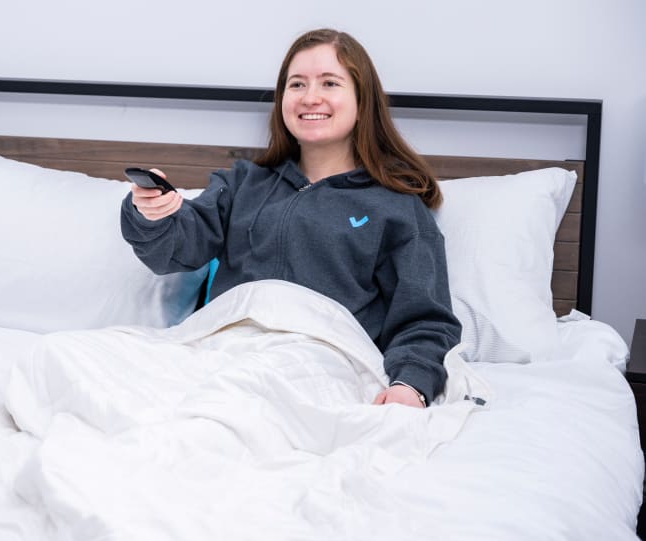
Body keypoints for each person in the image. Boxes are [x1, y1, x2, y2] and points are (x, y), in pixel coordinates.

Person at [120, 28, 461, 409]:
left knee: (222, 412)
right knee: (59, 360)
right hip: (217, 347)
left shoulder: (395, 205)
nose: (310, 97)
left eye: (330, 83)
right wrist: (151, 214)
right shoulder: (242, 183)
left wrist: (410, 384)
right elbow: (175, 251)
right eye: (297, 84)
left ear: (363, 102)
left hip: (315, 362)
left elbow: (426, 319)